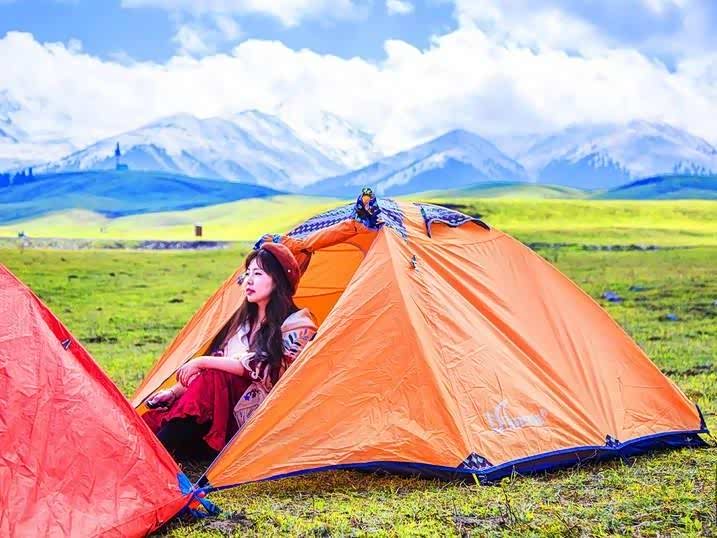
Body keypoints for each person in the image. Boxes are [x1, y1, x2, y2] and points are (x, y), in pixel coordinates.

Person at [142, 242, 317, 461]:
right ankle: (155, 450)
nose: (249, 280)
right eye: (248, 273)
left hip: (256, 424)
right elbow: (219, 361)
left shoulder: (299, 325)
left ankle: (154, 455)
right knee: (161, 414)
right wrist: (175, 392)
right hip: (220, 415)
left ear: (278, 280)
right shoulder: (243, 322)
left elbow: (270, 371)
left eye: (258, 274)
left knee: (214, 375)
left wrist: (202, 362)